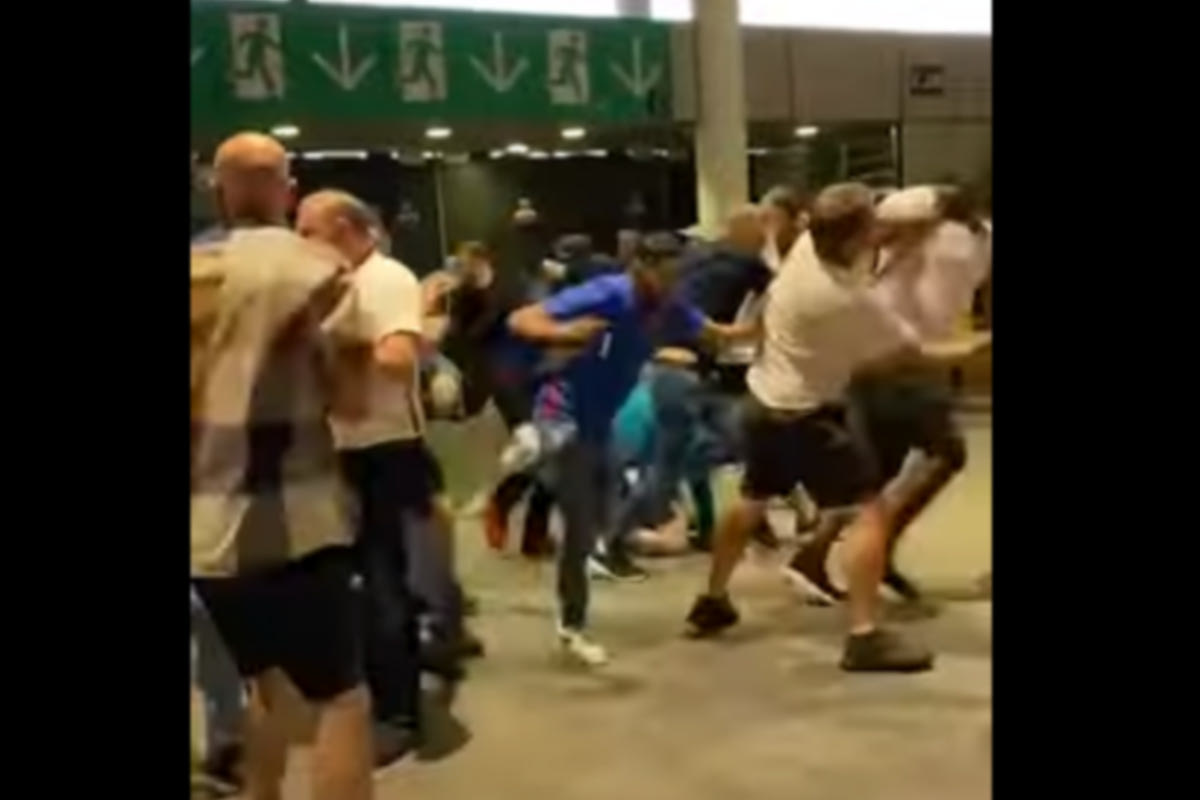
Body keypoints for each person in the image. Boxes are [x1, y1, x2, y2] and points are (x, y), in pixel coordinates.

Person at [685, 182, 950, 673]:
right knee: (869, 513)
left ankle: (712, 599)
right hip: (810, 416)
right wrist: (974, 347)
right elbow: (908, 356)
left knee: (752, 498)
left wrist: (901, 234)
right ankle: (864, 637)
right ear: (854, 237)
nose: (878, 227)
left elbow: (867, 241)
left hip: (764, 401)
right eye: (871, 223)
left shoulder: (808, 247)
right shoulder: (845, 301)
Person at [190, 132, 373, 800]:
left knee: (269, 689)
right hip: (298, 529)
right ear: (286, 191)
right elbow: (353, 404)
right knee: (343, 702)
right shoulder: (321, 271)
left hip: (206, 539)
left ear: (217, 190)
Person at [507, 233, 748, 666]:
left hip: (599, 426)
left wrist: (768, 325)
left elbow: (719, 336)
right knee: (563, 444)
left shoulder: (671, 307)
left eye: (678, 276)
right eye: (666, 275)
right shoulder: (607, 293)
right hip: (562, 406)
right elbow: (523, 319)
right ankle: (537, 442)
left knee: (585, 531)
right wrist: (563, 331)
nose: (673, 284)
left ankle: (571, 625)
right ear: (640, 267)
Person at [295, 189, 474, 764]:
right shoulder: (339, 282)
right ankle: (395, 678)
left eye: (308, 230)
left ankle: (399, 712)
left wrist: (322, 347)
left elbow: (398, 359)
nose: (299, 242)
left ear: (346, 228)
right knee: (359, 583)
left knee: (381, 585)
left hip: (381, 452)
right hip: (339, 451)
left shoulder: (385, 279)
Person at [786, 185, 991, 607]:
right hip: (892, 354)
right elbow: (873, 225)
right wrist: (929, 216)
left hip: (905, 355)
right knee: (946, 452)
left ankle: (818, 558)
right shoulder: (925, 207)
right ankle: (874, 550)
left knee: (873, 476)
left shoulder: (981, 237)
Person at [610, 205, 771, 557]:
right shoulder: (636, 296)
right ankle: (616, 535)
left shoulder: (673, 294)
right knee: (672, 464)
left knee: (707, 449)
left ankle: (703, 528)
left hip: (685, 376)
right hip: (674, 378)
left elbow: (716, 333)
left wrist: (754, 331)